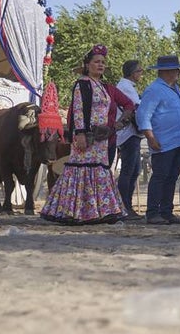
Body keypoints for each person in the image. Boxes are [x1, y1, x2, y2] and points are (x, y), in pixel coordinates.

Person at [40, 45, 127, 225]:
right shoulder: (83, 84)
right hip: (86, 136)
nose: (100, 65)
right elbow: (78, 109)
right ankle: (76, 211)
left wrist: (118, 124)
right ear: (87, 65)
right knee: (82, 169)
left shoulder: (102, 86)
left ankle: (99, 210)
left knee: (99, 168)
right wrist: (79, 133)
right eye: (96, 62)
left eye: (103, 62)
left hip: (100, 137)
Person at [135, 55, 180, 225]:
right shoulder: (154, 90)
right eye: (176, 70)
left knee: (172, 176)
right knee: (161, 175)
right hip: (164, 140)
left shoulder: (174, 89)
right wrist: (150, 137)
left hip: (178, 140)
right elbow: (143, 114)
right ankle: (153, 212)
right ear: (167, 71)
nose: (178, 73)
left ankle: (166, 211)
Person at [114, 59, 144, 218]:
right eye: (140, 71)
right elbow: (136, 107)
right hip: (128, 133)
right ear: (133, 73)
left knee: (134, 170)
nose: (141, 73)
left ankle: (127, 205)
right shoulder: (125, 88)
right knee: (128, 171)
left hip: (131, 133)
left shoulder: (126, 87)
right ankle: (124, 206)